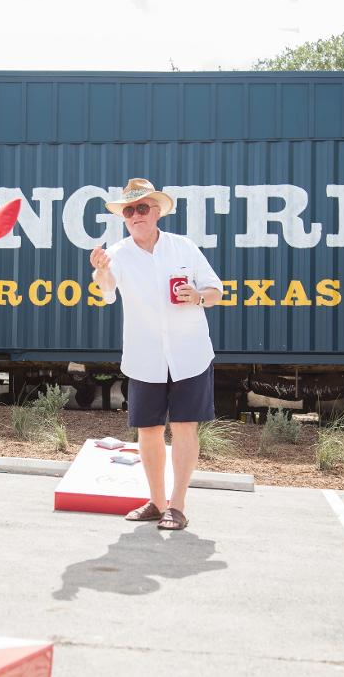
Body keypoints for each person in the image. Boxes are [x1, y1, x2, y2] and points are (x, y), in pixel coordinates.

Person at [89, 178, 224, 531]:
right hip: (145, 355)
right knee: (148, 431)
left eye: (142, 208)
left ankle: (177, 505)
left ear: (157, 212)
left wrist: (196, 296)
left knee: (183, 427)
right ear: (124, 217)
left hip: (189, 352)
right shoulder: (116, 254)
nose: (136, 215)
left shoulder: (184, 248)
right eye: (129, 210)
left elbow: (216, 291)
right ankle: (156, 502)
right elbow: (106, 293)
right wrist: (102, 271)